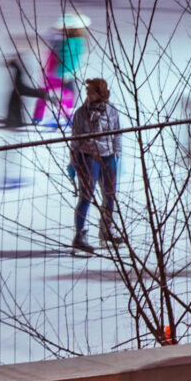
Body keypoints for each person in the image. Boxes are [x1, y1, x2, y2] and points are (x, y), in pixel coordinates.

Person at [70, 77, 122, 252]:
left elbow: (117, 133)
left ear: (100, 93)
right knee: (86, 196)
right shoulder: (80, 113)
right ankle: (80, 235)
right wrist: (73, 161)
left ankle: (107, 230)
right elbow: (75, 138)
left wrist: (117, 154)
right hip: (88, 156)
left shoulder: (112, 111)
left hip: (108, 157)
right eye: (87, 92)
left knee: (110, 195)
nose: (88, 95)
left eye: (92, 92)